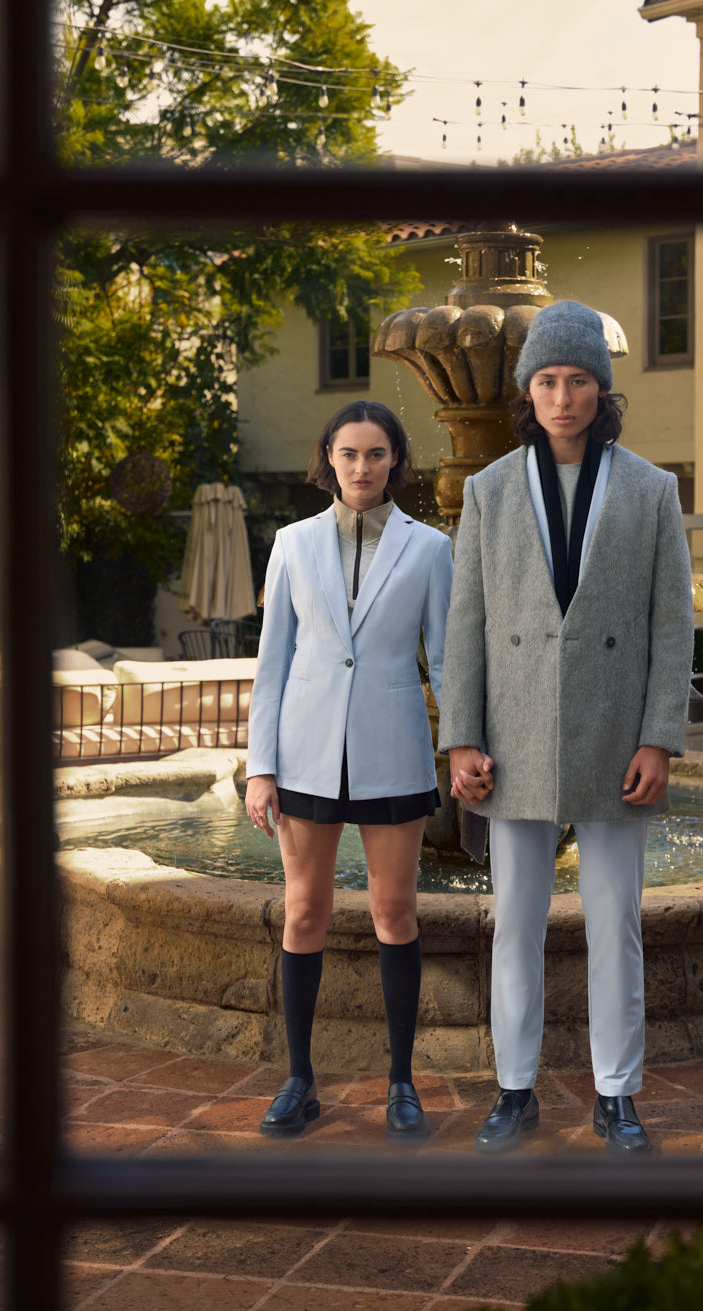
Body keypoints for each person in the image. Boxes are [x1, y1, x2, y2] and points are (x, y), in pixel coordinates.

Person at [438, 300, 694, 1156]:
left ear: (601, 390)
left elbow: (671, 625)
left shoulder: (654, 490)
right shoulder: (487, 489)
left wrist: (660, 737)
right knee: (515, 923)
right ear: (527, 391)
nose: (561, 396)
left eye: (577, 380)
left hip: (618, 739)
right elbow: (465, 626)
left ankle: (617, 1095)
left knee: (615, 920)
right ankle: (514, 1091)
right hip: (509, 739)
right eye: (546, 381)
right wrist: (461, 738)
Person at [246, 400, 453, 1144]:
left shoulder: (429, 549)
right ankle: (298, 1080)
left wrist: (460, 744)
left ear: (395, 458)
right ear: (327, 459)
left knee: (395, 914)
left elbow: (448, 659)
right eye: (347, 453)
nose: (361, 467)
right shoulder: (292, 544)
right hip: (302, 750)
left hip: (392, 748)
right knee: (304, 913)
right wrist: (258, 767)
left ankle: (402, 1083)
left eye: (375, 453)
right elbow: (271, 664)